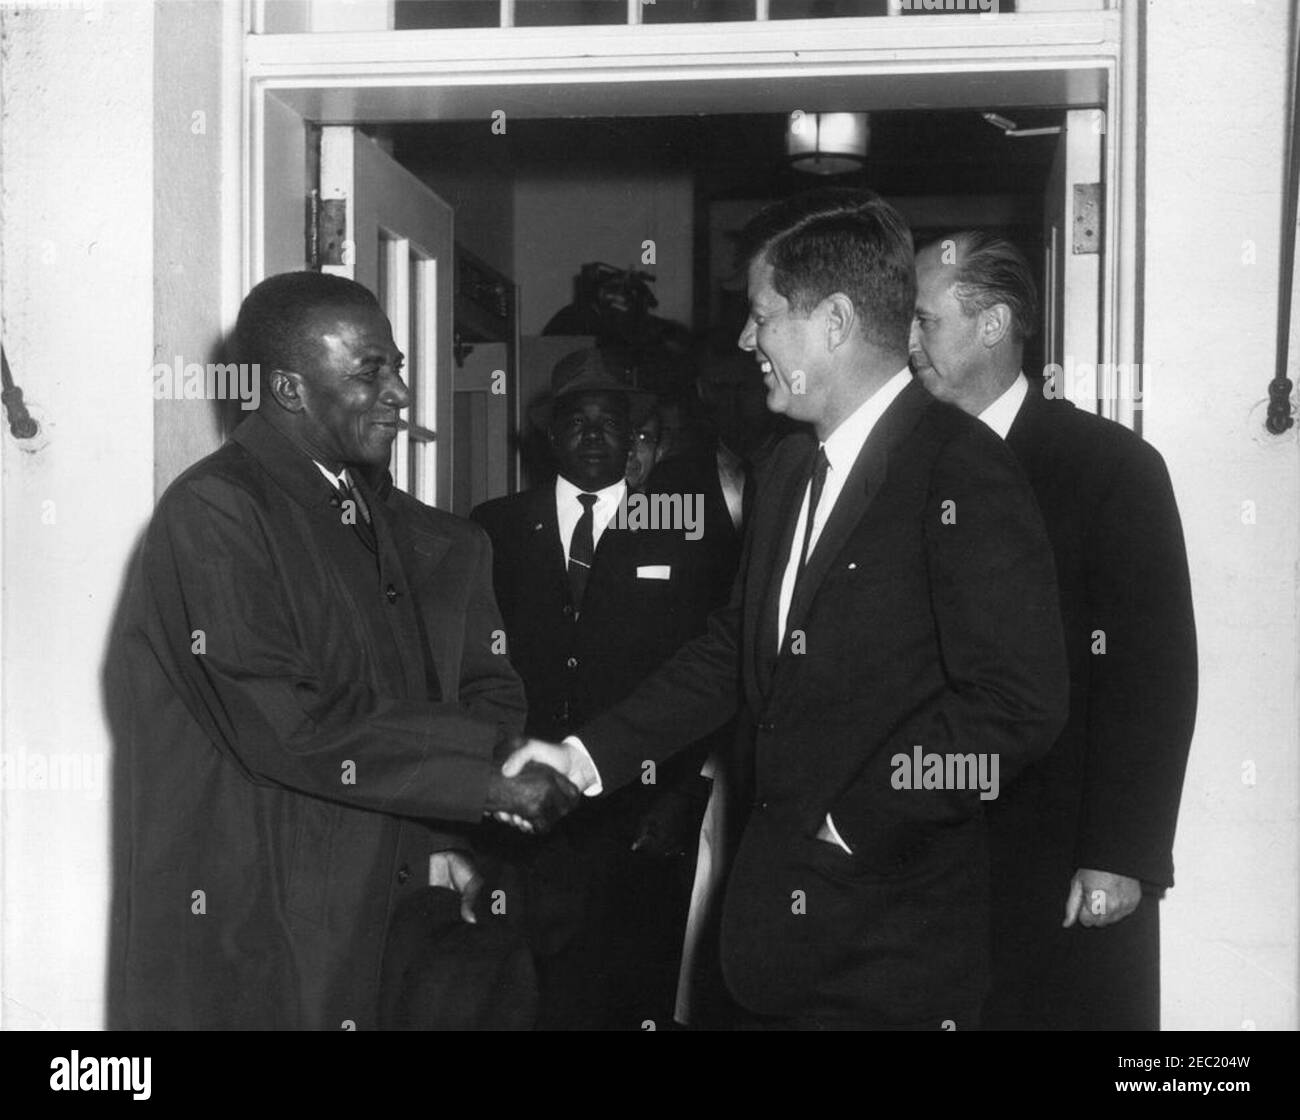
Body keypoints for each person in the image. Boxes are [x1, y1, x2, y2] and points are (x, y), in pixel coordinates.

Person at [501, 189, 1070, 1030]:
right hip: (773, 946)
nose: (743, 340)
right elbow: (737, 650)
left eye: (762, 316)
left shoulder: (961, 471)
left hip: (893, 947)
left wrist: (853, 821)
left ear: (833, 322)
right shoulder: (785, 469)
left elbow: (1018, 708)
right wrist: (586, 755)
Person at [106, 271, 577, 1029]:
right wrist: (486, 774)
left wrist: (451, 825)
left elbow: (405, 700)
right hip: (261, 920)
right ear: (289, 390)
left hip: (357, 909)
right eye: (371, 371)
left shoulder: (349, 504)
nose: (400, 392)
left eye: (395, 364)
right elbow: (293, 722)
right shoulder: (217, 509)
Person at [910, 231, 1198, 1030]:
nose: (906, 345)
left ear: (994, 324)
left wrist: (1121, 854)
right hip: (929, 850)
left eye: (924, 321)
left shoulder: (1109, 468)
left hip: (1062, 850)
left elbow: (1153, 676)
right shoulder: (903, 467)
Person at [472, 348, 722, 1030]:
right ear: (550, 435)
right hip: (526, 813)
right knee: (530, 995)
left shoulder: (682, 530)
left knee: (635, 993)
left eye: (607, 420)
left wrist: (678, 796)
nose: (590, 434)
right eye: (574, 421)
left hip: (641, 812)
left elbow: (716, 669)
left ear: (634, 433)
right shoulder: (493, 529)